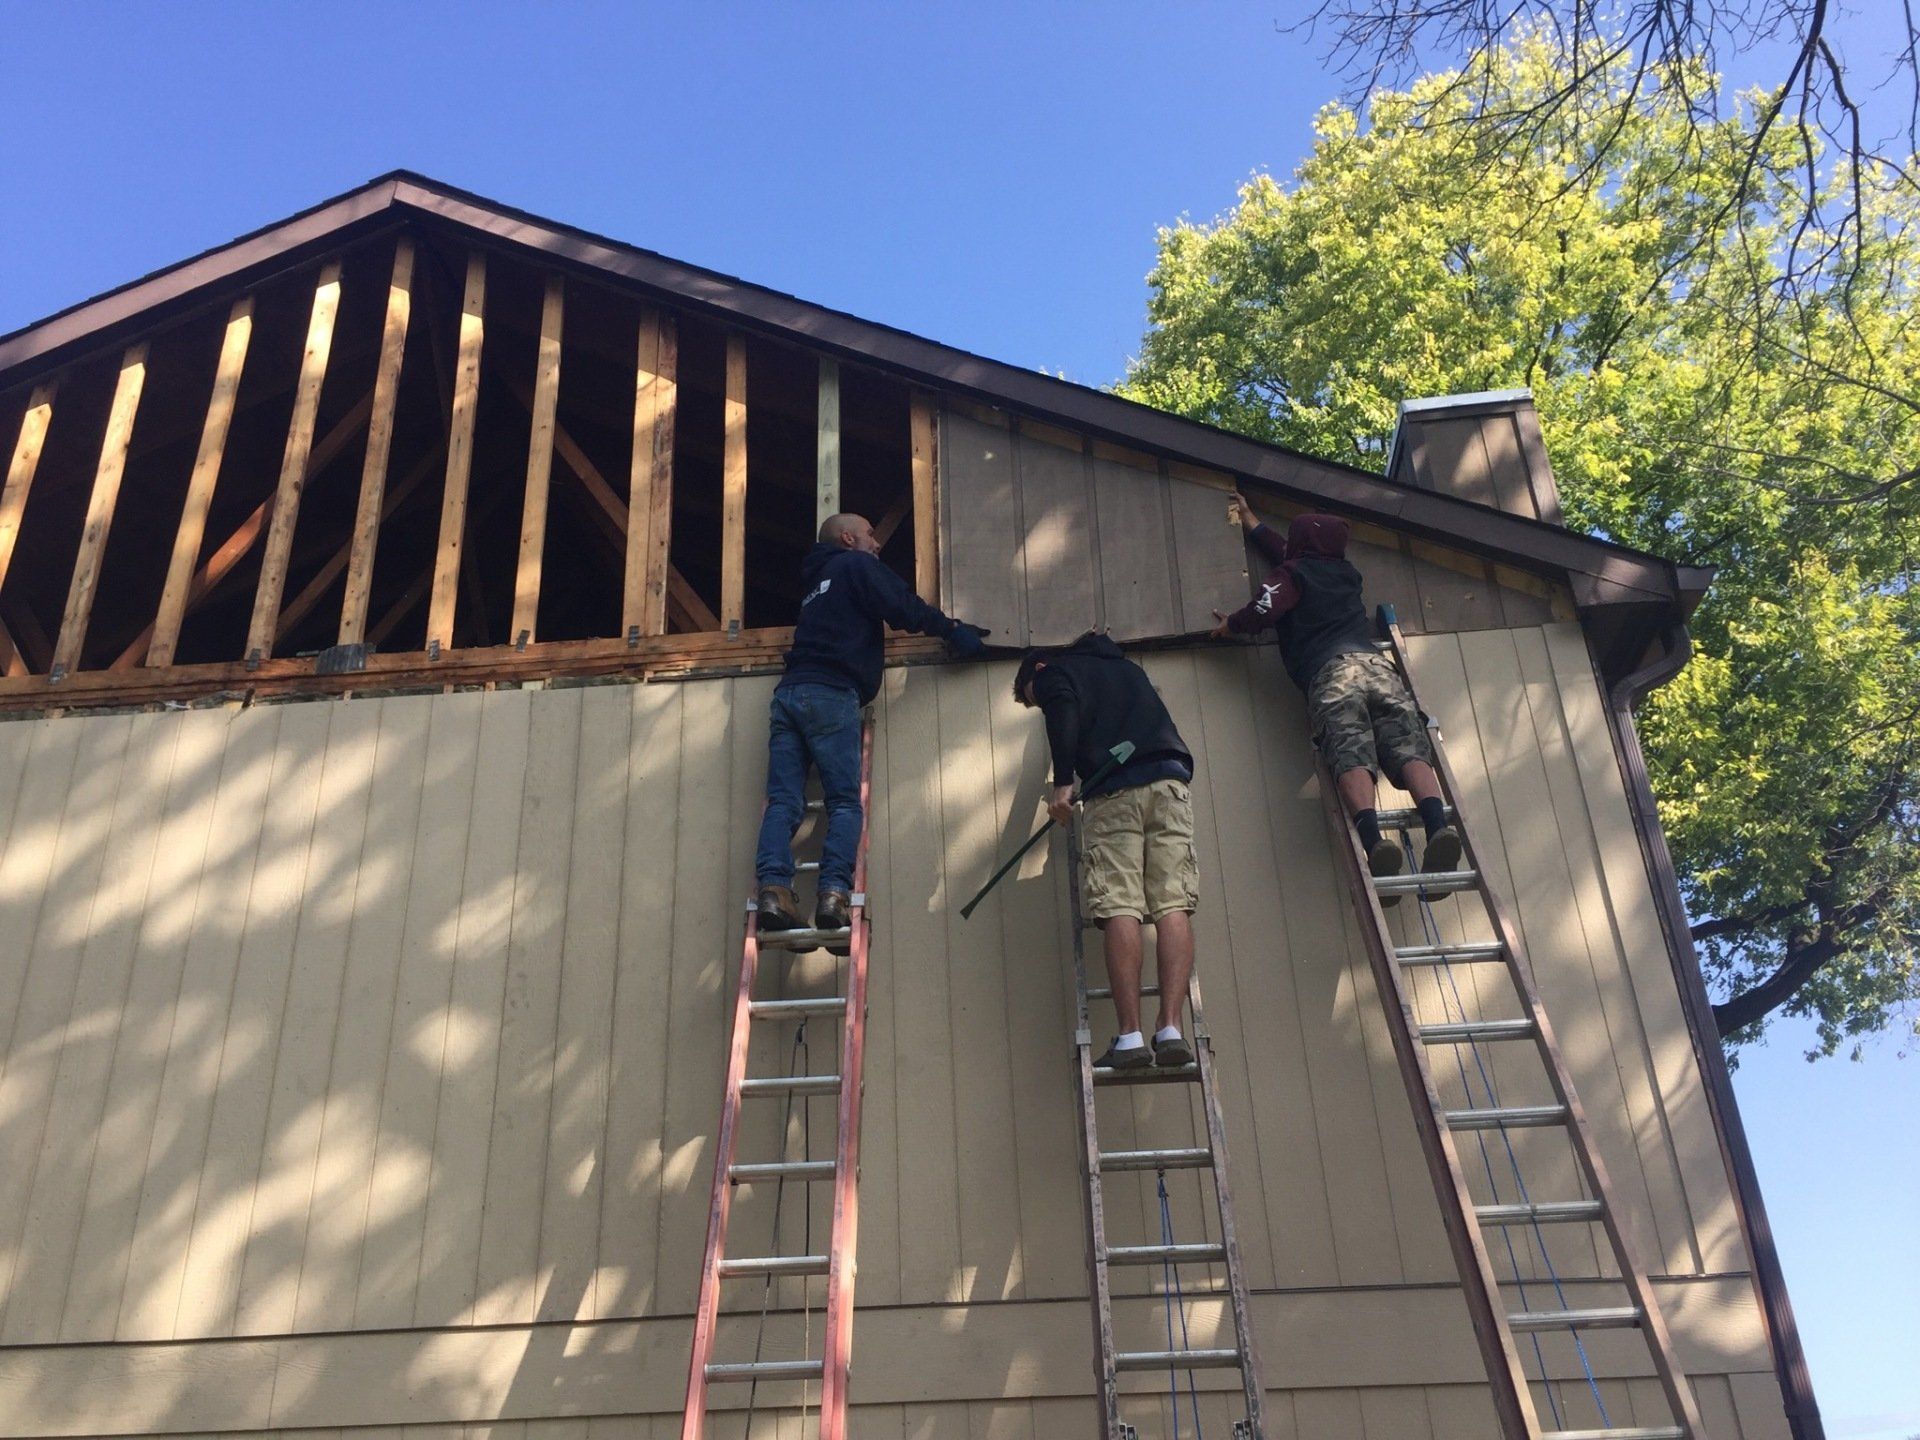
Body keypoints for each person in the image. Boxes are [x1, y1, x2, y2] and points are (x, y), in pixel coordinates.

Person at [1210, 492, 1461, 901]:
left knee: (1349, 753)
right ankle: (1438, 827)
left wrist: (1233, 625)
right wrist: (1253, 521)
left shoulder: (1292, 575)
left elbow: (1266, 605)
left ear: (1302, 546)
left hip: (1333, 674)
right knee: (1408, 747)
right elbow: (1290, 556)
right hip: (1378, 669)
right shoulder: (1345, 573)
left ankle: (1373, 840)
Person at [756, 512, 987, 934]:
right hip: (831, 692)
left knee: (784, 801)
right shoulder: (855, 565)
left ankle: (774, 889)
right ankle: (833, 893)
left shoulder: (814, 584)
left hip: (789, 695)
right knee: (843, 802)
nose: (877, 546)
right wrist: (951, 629)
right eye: (869, 536)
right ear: (848, 538)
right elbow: (901, 606)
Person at [1015, 632, 1199, 1071]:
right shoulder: (1127, 670)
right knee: (1172, 902)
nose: (1040, 702)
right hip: (1170, 784)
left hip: (1116, 793)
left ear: (1037, 670)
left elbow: (1060, 701)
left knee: (1120, 906)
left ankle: (1131, 1037)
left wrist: (1063, 783)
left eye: (1032, 698)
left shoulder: (1054, 672)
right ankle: (1171, 1028)